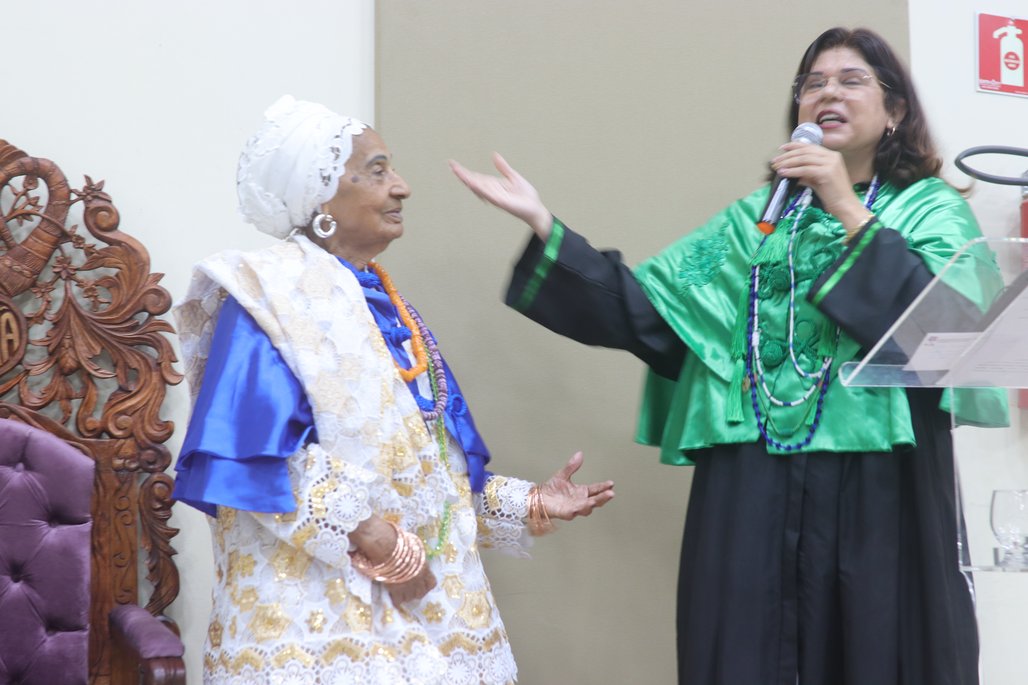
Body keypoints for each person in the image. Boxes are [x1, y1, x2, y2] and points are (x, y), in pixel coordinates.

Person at [451, 27, 1006, 685]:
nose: (826, 91)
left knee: (878, 651)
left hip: (876, 486)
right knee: (741, 649)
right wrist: (548, 228)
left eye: (851, 79)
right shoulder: (755, 222)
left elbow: (950, 330)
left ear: (894, 112)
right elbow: (654, 313)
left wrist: (846, 206)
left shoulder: (932, 210)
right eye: (813, 82)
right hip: (753, 480)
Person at [172, 95, 615, 685]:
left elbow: (427, 473)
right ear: (321, 195)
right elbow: (254, 458)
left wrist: (530, 503)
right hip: (318, 631)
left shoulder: (385, 304)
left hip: (423, 624)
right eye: (377, 171)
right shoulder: (266, 295)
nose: (402, 187)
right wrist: (380, 542)